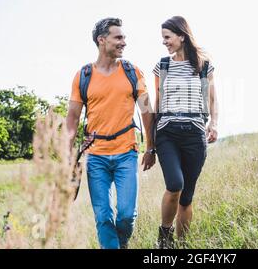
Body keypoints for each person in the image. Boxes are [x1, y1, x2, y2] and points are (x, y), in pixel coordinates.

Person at [66, 17, 156, 249]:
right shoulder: (83, 75)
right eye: (118, 37)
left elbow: (146, 111)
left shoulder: (132, 72)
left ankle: (121, 243)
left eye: (124, 37)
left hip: (127, 152)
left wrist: (151, 147)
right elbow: (73, 117)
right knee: (103, 217)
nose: (124, 42)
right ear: (101, 40)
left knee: (126, 215)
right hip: (95, 157)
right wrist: (68, 155)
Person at [153, 16, 219, 248]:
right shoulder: (163, 66)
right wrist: (151, 145)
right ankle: (164, 235)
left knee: (187, 196)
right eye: (163, 38)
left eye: (167, 37)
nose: (164, 42)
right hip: (167, 133)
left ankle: (181, 246)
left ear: (182, 36)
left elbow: (212, 99)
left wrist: (214, 124)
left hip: (194, 134)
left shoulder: (203, 65)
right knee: (175, 184)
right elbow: (157, 104)